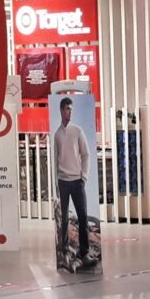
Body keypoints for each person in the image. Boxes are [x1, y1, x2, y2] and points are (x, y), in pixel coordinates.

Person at [54, 96, 92, 263]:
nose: (70, 112)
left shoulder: (77, 131)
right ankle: (64, 249)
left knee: (82, 216)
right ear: (61, 110)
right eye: (67, 109)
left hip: (77, 181)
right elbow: (55, 160)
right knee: (63, 218)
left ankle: (84, 252)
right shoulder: (57, 134)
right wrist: (56, 182)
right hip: (62, 181)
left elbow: (86, 154)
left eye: (71, 109)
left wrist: (84, 177)